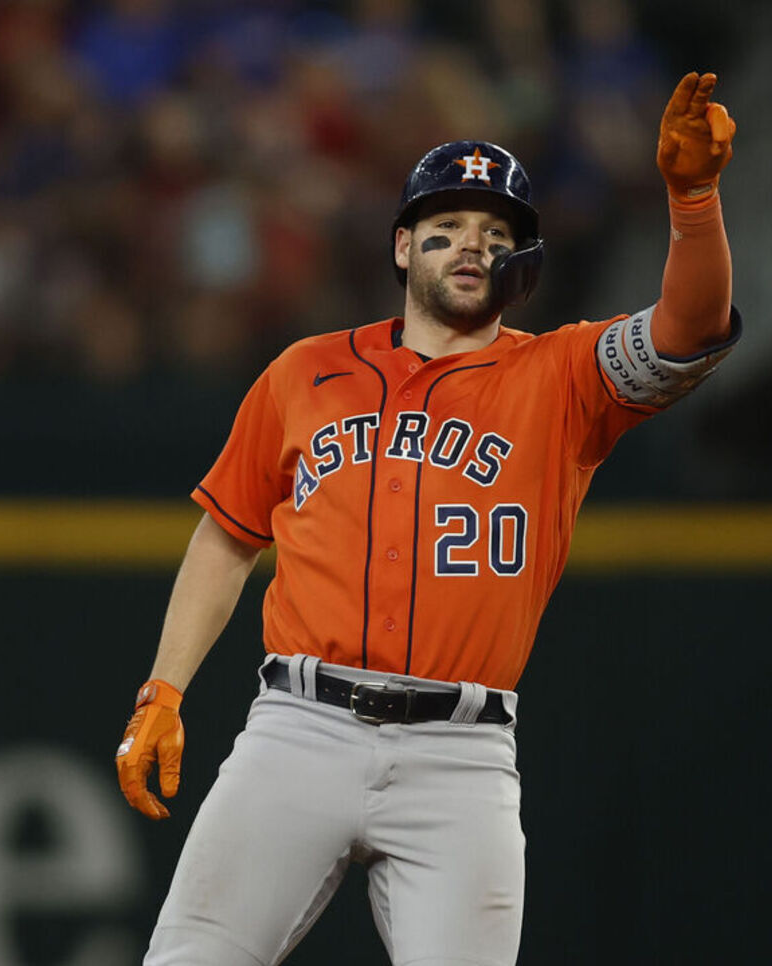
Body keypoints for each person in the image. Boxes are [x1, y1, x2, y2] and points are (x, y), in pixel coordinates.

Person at [116, 72, 739, 965]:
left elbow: (692, 325)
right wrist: (164, 689)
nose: (469, 246)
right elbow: (227, 534)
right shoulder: (305, 371)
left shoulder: (564, 378)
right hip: (299, 728)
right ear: (403, 247)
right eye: (445, 229)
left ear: (521, 262)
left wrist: (693, 199)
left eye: (495, 233)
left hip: (461, 756)